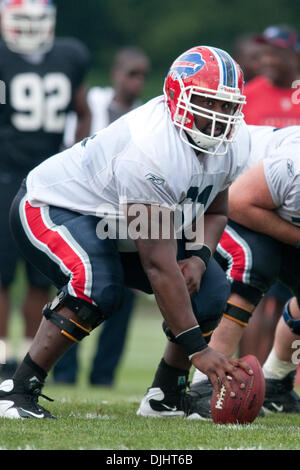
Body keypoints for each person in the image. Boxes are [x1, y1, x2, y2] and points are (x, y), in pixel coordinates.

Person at [0, 45, 254, 419]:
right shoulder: (151, 150)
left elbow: (215, 209)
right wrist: (200, 350)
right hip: (56, 205)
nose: (217, 117)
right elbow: (157, 264)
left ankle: (165, 396)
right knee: (97, 285)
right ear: (176, 96)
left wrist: (199, 259)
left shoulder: (233, 144)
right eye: (206, 102)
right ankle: (17, 390)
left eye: (225, 105)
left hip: (118, 220)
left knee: (212, 288)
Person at [0, 0, 91, 380]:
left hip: (47, 175)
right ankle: (4, 352)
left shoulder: (69, 56)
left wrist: (76, 157)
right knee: (3, 271)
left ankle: (25, 355)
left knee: (41, 272)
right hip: (5, 173)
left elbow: (82, 110)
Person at [53, 47, 151, 385]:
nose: (136, 82)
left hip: (122, 217)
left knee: (123, 296)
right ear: (115, 73)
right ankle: (64, 373)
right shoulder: (91, 105)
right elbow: (68, 152)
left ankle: (103, 376)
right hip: (84, 211)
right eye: (131, 74)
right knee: (76, 290)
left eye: (142, 75)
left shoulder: (144, 118)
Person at [190, 124, 300, 416]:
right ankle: (206, 383)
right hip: (223, 197)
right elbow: (238, 202)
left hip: (267, 209)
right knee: (255, 261)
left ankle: (276, 383)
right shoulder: (295, 166)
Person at [235, 25, 299, 373]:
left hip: (292, 206)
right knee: (252, 297)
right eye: (266, 52)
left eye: (279, 52)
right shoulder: (250, 93)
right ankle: (251, 372)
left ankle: (276, 376)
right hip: (254, 206)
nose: (270, 60)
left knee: (286, 300)